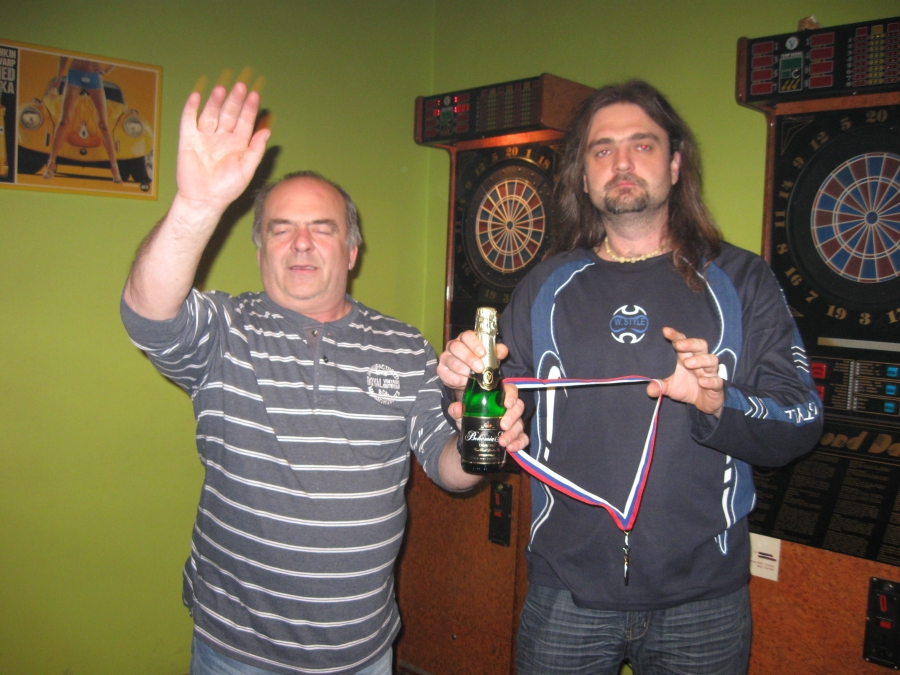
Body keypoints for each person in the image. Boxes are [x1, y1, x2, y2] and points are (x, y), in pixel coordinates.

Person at [120, 83, 527, 675]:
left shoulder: (403, 344)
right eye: (281, 228)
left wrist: (480, 441)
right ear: (260, 249)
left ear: (352, 250)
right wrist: (195, 206)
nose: (302, 243)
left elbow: (448, 469)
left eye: (323, 227)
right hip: (236, 650)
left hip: (361, 651)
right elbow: (147, 315)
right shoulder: (225, 330)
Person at [437, 80, 823, 675]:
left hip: (704, 599)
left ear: (675, 164)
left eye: (642, 145)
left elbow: (801, 419)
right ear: (583, 176)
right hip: (566, 590)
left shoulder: (742, 279)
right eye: (602, 149)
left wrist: (717, 402)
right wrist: (463, 384)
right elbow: (497, 407)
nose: (621, 162)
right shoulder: (545, 285)